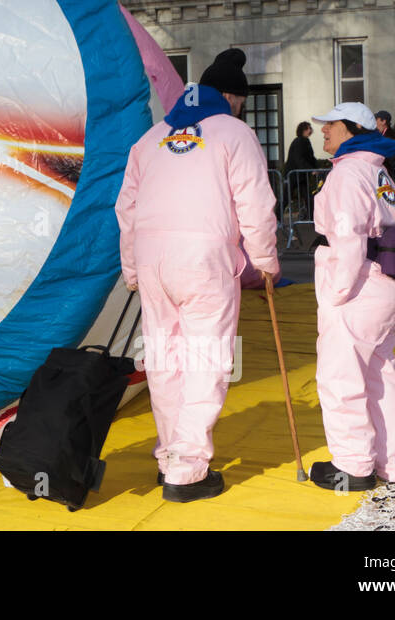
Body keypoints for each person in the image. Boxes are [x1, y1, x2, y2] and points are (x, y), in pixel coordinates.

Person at [115, 48, 280, 503]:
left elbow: (125, 207)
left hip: (152, 258)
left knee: (165, 361)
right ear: (230, 96)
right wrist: (265, 261)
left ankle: (170, 454)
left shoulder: (150, 140)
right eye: (241, 100)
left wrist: (131, 268)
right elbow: (255, 203)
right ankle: (185, 471)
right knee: (205, 359)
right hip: (204, 258)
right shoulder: (234, 132)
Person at [309, 102, 395, 491]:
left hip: (359, 285)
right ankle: (389, 463)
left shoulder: (349, 172)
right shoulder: (376, 169)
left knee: (340, 377)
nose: (324, 132)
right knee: (380, 377)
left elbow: (348, 235)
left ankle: (353, 467)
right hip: (386, 283)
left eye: (330, 125)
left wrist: (336, 293)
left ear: (351, 128)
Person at [285, 121, 319, 219]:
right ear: (303, 130)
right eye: (308, 128)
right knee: (287, 197)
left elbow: (310, 158)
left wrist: (315, 168)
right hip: (294, 174)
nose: (310, 130)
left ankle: (311, 217)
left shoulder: (304, 141)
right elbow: (299, 158)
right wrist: (311, 169)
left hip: (299, 175)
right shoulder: (300, 141)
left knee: (307, 197)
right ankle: (278, 217)